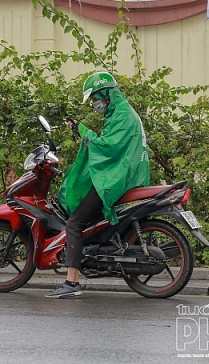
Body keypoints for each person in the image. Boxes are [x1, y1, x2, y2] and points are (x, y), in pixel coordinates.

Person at [45, 71, 150, 299]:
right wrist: (81, 131)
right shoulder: (121, 112)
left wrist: (83, 131)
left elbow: (106, 147)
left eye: (94, 99)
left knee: (74, 223)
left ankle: (72, 282)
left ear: (105, 94)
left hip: (115, 179)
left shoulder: (122, 115)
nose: (94, 104)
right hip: (123, 175)